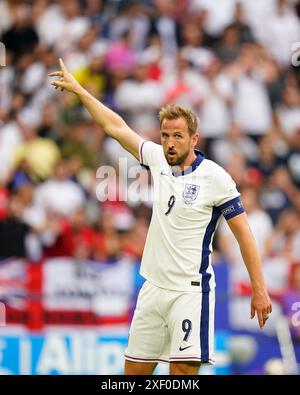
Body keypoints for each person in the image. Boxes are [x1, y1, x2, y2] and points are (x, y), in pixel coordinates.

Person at [49, 59, 272, 376]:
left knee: (181, 375)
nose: (169, 143)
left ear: (194, 139)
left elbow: (244, 234)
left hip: (190, 292)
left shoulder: (216, 178)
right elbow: (115, 127)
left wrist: (259, 289)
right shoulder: (156, 158)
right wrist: (80, 91)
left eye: (178, 136)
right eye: (166, 135)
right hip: (152, 290)